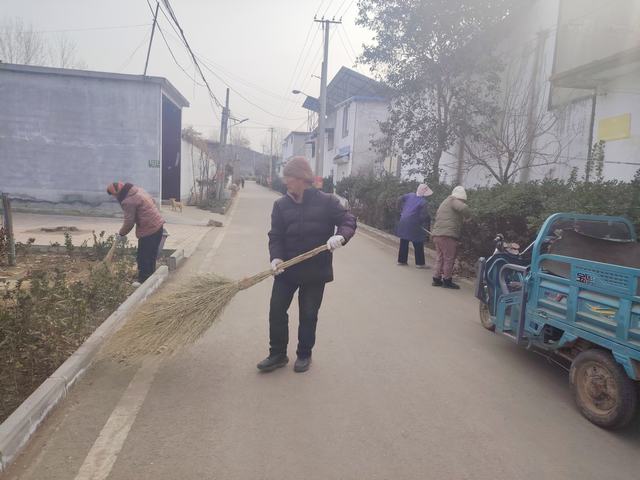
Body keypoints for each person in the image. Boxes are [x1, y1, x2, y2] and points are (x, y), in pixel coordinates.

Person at [258, 157, 357, 373]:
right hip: (287, 269)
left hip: (315, 270)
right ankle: (277, 354)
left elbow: (348, 221)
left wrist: (341, 236)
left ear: (302, 178)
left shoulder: (327, 202)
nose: (286, 182)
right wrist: (276, 257)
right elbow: (276, 236)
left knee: (309, 314)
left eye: (289, 178)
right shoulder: (280, 205)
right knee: (276, 311)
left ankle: (304, 354)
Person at [107, 182, 165, 287]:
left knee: (143, 256)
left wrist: (121, 233)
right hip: (158, 225)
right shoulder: (138, 190)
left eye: (114, 195)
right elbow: (153, 201)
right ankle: (150, 277)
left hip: (149, 229)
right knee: (151, 254)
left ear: (118, 192)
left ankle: (143, 280)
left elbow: (129, 222)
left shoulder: (127, 201)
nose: (115, 198)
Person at [430, 186, 470, 289]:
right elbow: (464, 208)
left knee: (440, 258)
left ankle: (436, 279)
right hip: (447, 235)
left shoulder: (445, 202)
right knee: (449, 258)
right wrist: (468, 217)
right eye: (462, 200)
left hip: (437, 234)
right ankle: (447, 280)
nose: (462, 202)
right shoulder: (453, 200)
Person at [395, 183, 433, 268]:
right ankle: (420, 263)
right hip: (414, 223)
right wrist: (421, 222)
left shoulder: (410, 195)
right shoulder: (423, 202)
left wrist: (401, 211)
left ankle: (402, 261)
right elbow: (423, 216)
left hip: (403, 221)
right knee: (418, 241)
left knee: (404, 240)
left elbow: (399, 199)